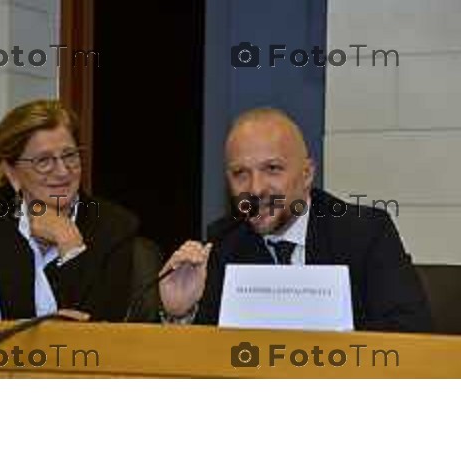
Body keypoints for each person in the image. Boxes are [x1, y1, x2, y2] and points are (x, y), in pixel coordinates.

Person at [159, 107, 432, 332]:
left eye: (272, 168)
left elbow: (411, 333)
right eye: (240, 173)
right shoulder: (224, 243)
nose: (255, 189)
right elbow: (202, 360)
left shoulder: (365, 232)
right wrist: (180, 315)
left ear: (307, 174)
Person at [0, 99, 139, 321]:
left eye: (70, 156)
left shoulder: (114, 227)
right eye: (44, 161)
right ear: (11, 172)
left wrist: (70, 246)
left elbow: (105, 325)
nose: (63, 171)